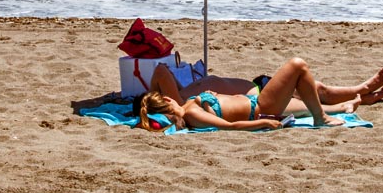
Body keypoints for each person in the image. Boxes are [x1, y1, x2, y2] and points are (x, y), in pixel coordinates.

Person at [139, 57, 360, 131]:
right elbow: (229, 127)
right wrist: (262, 124)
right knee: (297, 66)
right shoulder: (191, 114)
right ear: (167, 100)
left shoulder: (189, 105)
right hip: (261, 108)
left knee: (306, 107)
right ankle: (320, 120)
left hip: (256, 102)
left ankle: (344, 106)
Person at [146, 60, 383, 114]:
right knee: (313, 95)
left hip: (256, 89)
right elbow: (159, 70)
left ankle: (362, 92)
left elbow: (161, 75)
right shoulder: (181, 102)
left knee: (315, 91)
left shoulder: (182, 96)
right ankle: (362, 93)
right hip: (256, 96)